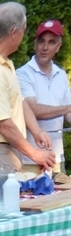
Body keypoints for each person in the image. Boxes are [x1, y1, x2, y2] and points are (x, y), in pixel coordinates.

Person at [0, 1, 56, 175]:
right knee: (2, 203)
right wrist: (36, 154)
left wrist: (37, 131)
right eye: (24, 30)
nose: (24, 35)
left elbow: (20, 101)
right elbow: (4, 125)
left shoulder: (4, 63)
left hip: (2, 153)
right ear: (14, 32)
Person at [16, 19, 71, 175]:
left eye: (51, 42)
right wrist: (68, 108)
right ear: (35, 43)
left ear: (58, 47)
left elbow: (69, 116)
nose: (45, 47)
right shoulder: (22, 73)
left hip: (56, 160)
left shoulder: (61, 75)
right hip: (30, 160)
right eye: (41, 41)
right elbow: (33, 110)